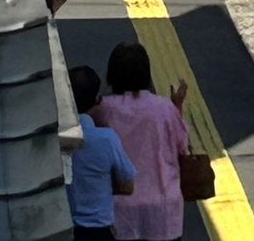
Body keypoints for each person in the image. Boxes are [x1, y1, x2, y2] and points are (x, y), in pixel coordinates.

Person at [94, 42, 190, 241]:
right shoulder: (164, 108)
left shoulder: (103, 110)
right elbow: (182, 146)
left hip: (120, 209)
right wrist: (177, 107)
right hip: (163, 210)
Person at [67, 65, 136, 241]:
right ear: (97, 100)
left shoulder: (52, 137)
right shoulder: (106, 139)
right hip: (99, 231)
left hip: (64, 229)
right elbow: (128, 185)